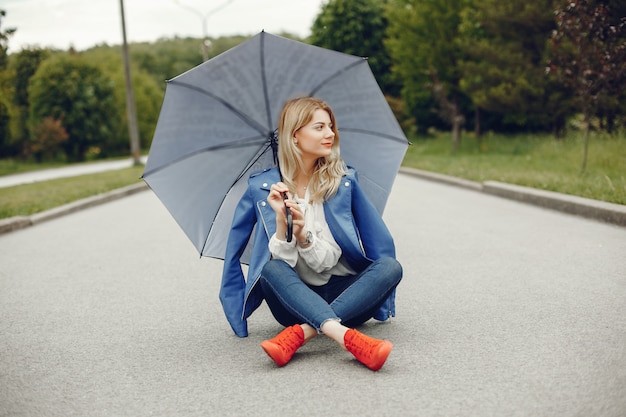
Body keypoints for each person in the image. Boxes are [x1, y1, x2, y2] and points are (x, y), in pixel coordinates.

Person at [219, 97, 402, 371]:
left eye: (330, 126)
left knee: (390, 267)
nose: (330, 134)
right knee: (270, 270)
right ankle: (348, 338)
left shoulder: (343, 181)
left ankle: (302, 333)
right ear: (295, 136)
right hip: (292, 300)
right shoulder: (262, 189)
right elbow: (235, 251)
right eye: (319, 127)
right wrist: (282, 224)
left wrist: (304, 235)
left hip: (347, 293)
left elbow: (371, 243)